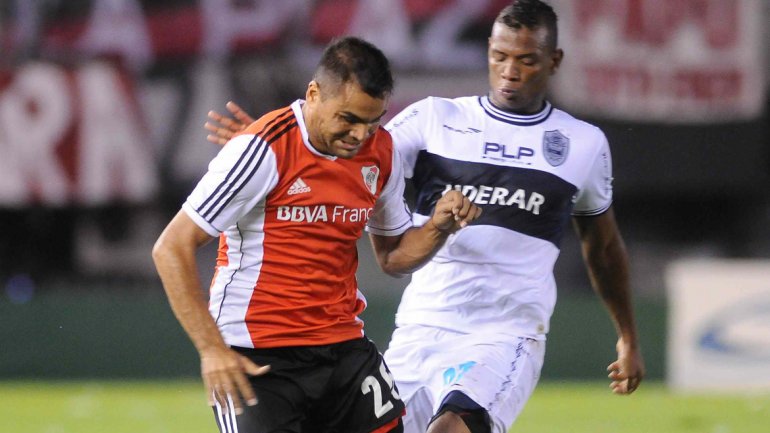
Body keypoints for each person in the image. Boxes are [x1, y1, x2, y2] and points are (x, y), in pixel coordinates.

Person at [205, 1, 645, 432]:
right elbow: (353, 154)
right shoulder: (435, 118)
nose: (509, 70)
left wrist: (627, 336)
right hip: (421, 328)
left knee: (451, 428)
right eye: (500, 56)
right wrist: (273, 146)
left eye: (526, 60)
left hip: (504, 333)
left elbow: (603, 247)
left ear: (554, 60)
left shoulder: (582, 144)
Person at [153, 36, 481, 433]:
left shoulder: (382, 152)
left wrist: (437, 227)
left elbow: (393, 257)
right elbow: (171, 247)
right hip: (259, 357)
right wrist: (211, 350)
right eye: (348, 118)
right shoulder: (261, 150)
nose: (359, 135)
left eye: (372, 122)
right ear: (313, 94)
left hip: (343, 349)